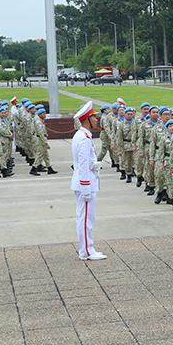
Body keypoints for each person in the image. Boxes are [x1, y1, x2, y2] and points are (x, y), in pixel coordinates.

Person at [71, 102, 105, 261]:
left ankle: (87, 249)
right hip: (85, 183)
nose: (97, 120)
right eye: (94, 117)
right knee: (86, 220)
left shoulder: (82, 135)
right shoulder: (84, 138)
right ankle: (87, 251)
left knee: (85, 218)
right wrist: (86, 188)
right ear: (87, 119)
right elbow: (83, 165)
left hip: (85, 181)